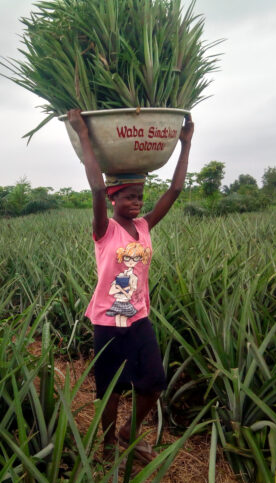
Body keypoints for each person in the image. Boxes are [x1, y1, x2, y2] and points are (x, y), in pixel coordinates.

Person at [67, 109, 194, 464]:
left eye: (139, 195)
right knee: (109, 390)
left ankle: (128, 433)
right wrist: (84, 135)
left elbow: (176, 189)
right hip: (108, 322)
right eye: (128, 196)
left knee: (153, 383)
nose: (136, 201)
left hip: (138, 319)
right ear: (113, 198)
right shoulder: (104, 230)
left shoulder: (146, 225)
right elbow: (95, 185)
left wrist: (185, 144)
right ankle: (108, 445)